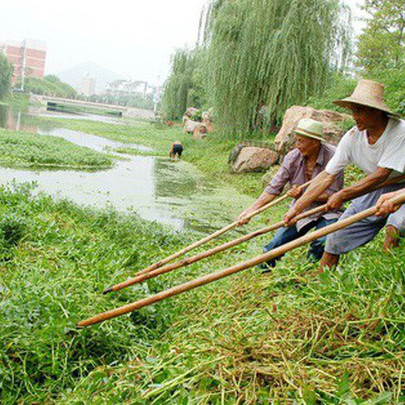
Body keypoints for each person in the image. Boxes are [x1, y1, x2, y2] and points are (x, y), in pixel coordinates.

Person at [283, 79, 405, 270]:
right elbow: (326, 176)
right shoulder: (352, 137)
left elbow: (381, 175)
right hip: (377, 188)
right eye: (353, 111)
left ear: (376, 111)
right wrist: (297, 209)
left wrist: (342, 194)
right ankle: (323, 282)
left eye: (359, 111)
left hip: (401, 186)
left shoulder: (399, 131)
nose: (354, 117)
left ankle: (389, 276)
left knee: (395, 226)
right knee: (335, 235)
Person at [238, 118, 344, 269]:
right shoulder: (292, 157)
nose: (297, 145)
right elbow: (274, 188)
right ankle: (261, 273)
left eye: (301, 141)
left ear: (315, 142)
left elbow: (333, 194)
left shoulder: (334, 156)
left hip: (327, 210)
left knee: (322, 242)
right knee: (275, 246)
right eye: (297, 141)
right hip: (300, 211)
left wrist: (303, 194)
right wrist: (252, 210)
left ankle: (309, 273)